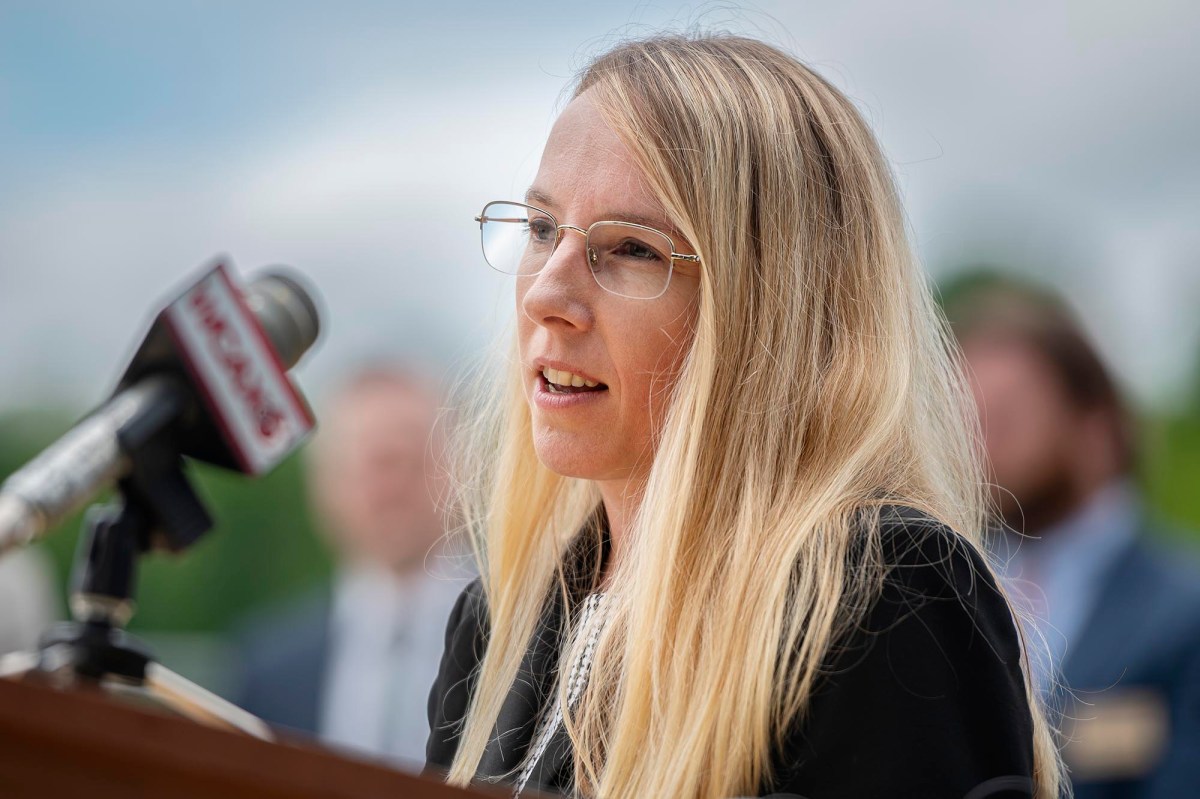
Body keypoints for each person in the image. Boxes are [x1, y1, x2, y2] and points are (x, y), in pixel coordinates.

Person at [425, 34, 1064, 798]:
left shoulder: (880, 593)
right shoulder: (498, 619)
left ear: (768, 311)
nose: (544, 296)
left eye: (629, 247)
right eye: (540, 229)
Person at [954, 281, 1200, 798]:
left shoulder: (1184, 608)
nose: (981, 442)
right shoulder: (948, 590)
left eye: (1008, 415)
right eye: (969, 417)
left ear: (1095, 427)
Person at [236, 368, 467, 769]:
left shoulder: (535, 645)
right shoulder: (267, 666)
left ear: (462, 470)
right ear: (324, 486)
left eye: (413, 460)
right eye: (373, 464)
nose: (392, 487)